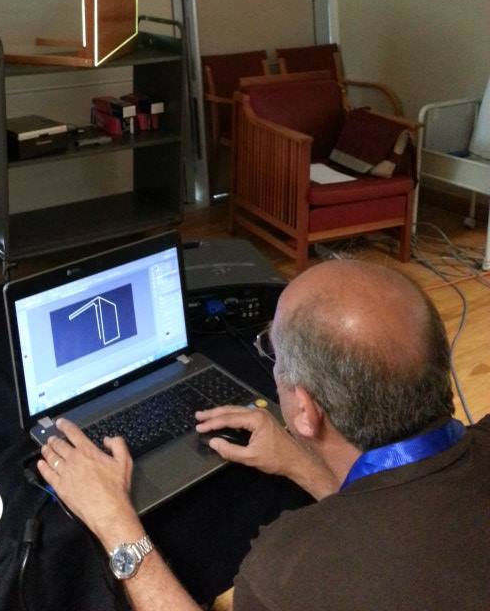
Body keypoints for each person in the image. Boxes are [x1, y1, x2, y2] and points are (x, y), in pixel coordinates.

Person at [37, 260, 490, 610]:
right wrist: (301, 463)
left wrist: (115, 523)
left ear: (305, 410)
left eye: (270, 351)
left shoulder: (293, 569)